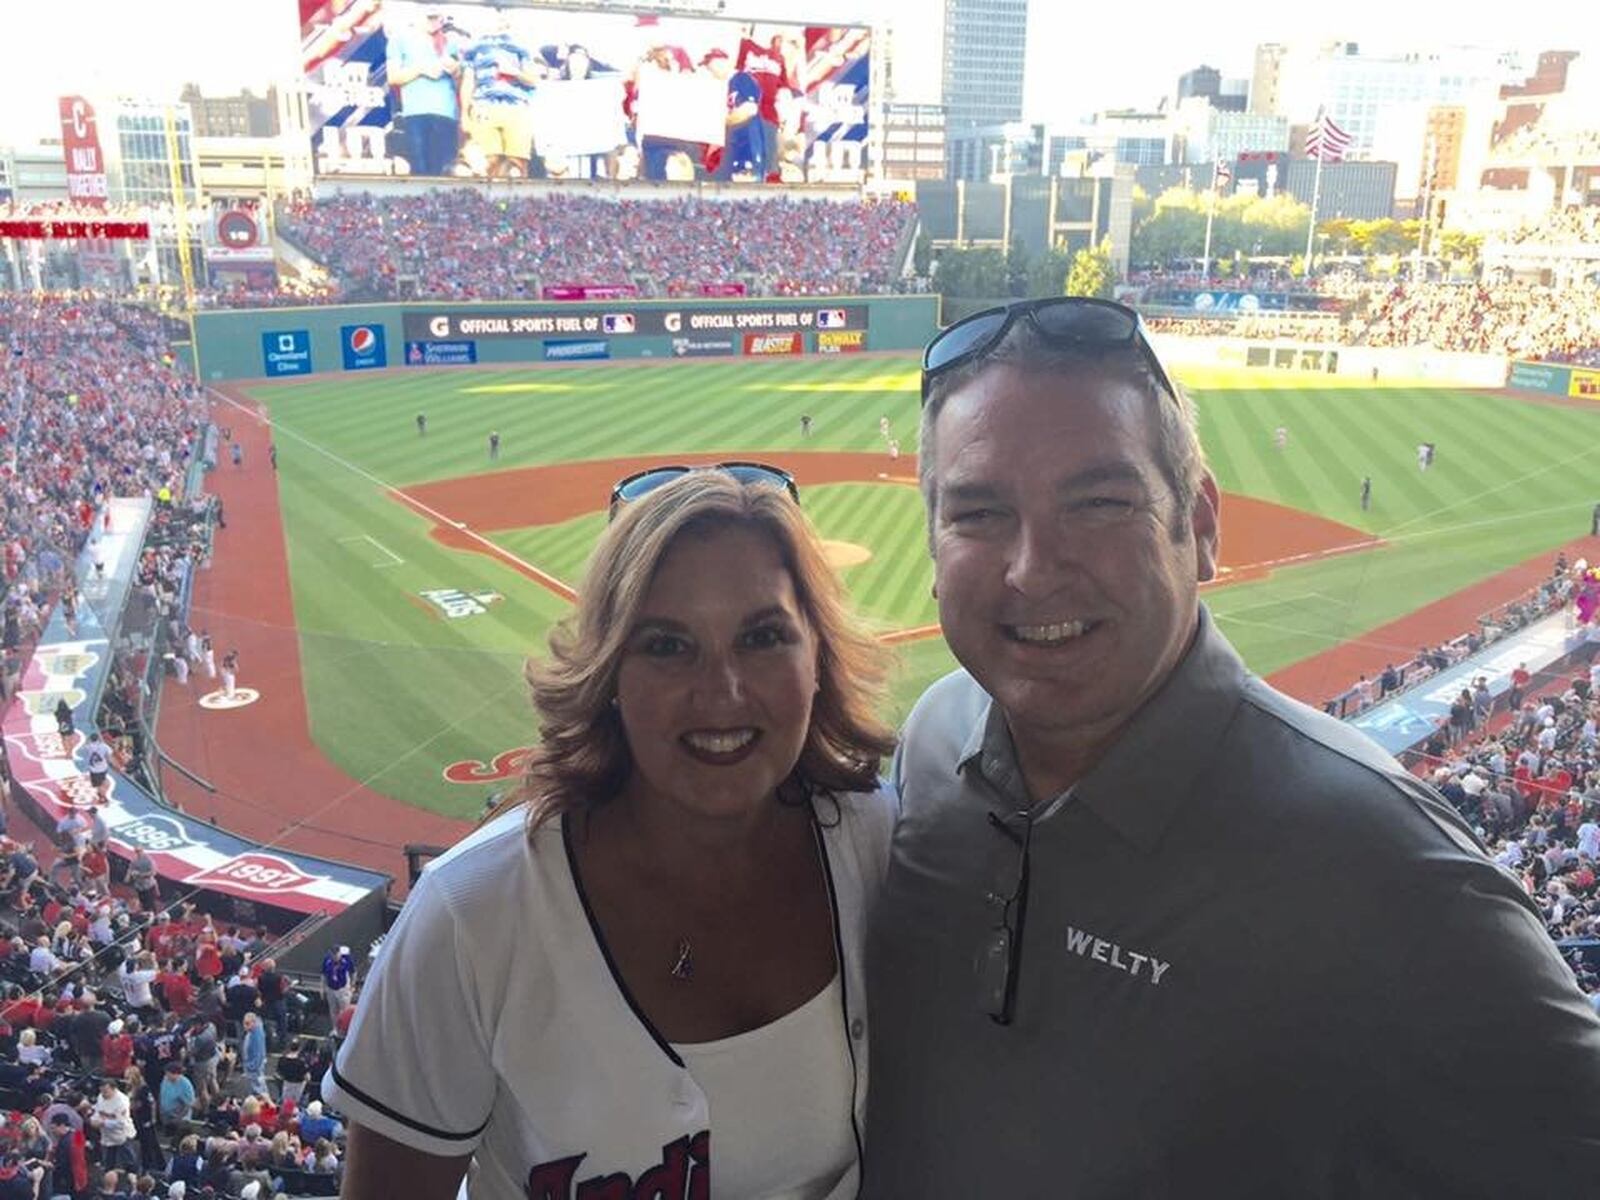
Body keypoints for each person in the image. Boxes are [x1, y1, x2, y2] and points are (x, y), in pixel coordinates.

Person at [862, 296, 1600, 1195]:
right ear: (934, 545)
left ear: (1201, 524)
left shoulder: (1390, 871)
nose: (1031, 566)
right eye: (977, 514)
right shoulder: (935, 738)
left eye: (1098, 502)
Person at [325, 467, 896, 1199]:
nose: (720, 691)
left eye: (762, 636)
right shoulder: (470, 914)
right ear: (608, 673)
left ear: (818, 657)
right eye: (666, 645)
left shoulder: (876, 842)